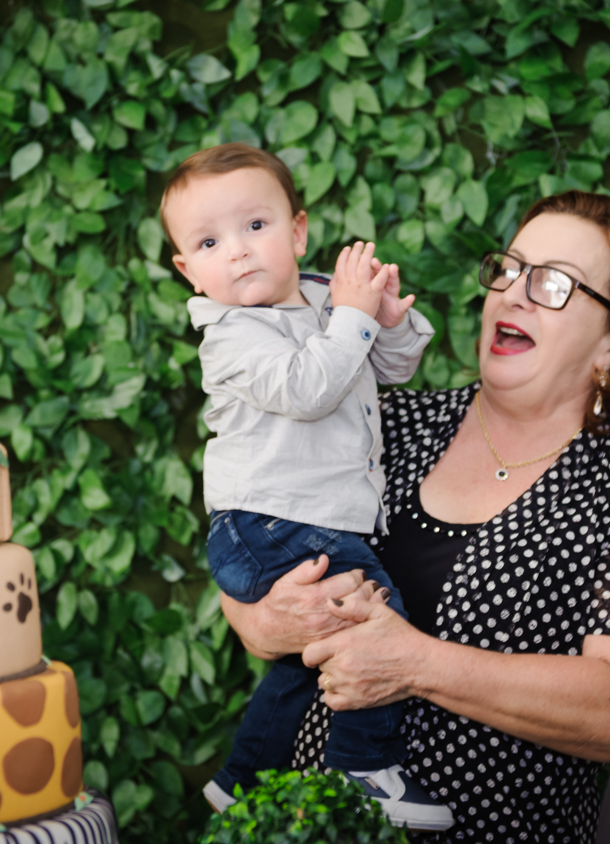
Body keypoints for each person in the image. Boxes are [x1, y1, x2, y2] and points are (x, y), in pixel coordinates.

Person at [219, 190, 610, 842]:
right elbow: (252, 534)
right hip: (314, 825)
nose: (514, 294)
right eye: (510, 269)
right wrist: (264, 620)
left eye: (553, 283)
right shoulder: (384, 424)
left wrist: (415, 663)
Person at [160, 143, 453, 830]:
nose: (237, 250)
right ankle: (364, 769)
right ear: (188, 270)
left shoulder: (328, 299)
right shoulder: (229, 333)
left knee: (306, 654)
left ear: (297, 231)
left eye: (255, 226)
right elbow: (307, 389)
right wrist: (351, 317)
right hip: (263, 519)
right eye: (208, 242)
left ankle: (242, 775)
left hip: (300, 518)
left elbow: (391, 369)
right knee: (371, 614)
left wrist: (385, 320)